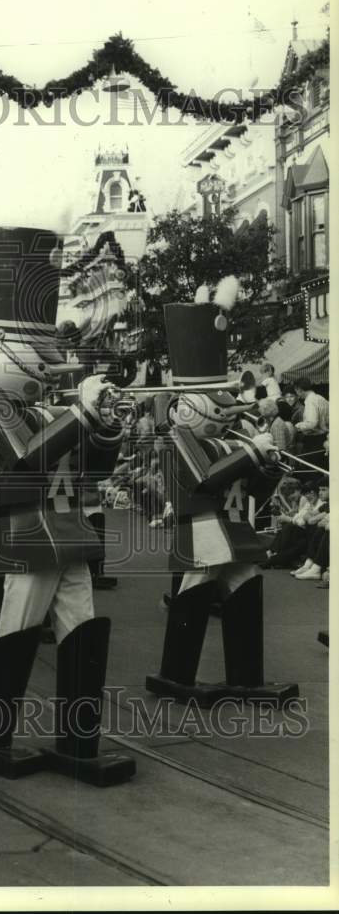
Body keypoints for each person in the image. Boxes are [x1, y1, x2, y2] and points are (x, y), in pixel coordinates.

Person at [0, 225, 135, 786]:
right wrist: (81, 415)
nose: (52, 357)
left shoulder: (48, 409)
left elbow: (92, 471)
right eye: (36, 349)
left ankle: (79, 739)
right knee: (19, 626)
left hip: (68, 529)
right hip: (28, 532)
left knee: (82, 626)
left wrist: (104, 426)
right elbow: (22, 464)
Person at [145, 280, 298, 708]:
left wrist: (267, 466)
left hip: (232, 532)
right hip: (201, 534)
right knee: (193, 595)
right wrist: (252, 450)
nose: (229, 405)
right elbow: (204, 478)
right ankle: (176, 673)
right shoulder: (179, 439)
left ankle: (246, 677)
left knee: (247, 590)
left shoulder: (233, 440)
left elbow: (253, 491)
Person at [263, 483, 326, 568]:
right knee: (290, 528)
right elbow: (300, 517)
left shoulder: (320, 503)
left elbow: (303, 521)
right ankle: (275, 556)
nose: (307, 496)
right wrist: (300, 518)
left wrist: (293, 518)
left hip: (308, 535)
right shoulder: (309, 503)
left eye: (323, 490)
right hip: (305, 534)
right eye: (306, 494)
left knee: (290, 527)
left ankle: (274, 555)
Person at [293, 378, 329, 455]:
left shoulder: (310, 401)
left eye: (296, 391)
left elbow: (312, 423)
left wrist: (298, 426)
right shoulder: (320, 398)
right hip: (325, 437)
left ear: (299, 389)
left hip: (314, 440)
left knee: (312, 464)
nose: (297, 394)